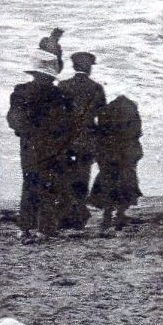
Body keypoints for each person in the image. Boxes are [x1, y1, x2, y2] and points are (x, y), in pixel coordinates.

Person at [7, 57, 73, 244]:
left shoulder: (20, 92)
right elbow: (67, 123)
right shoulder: (60, 94)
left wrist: (24, 132)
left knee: (29, 183)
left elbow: (13, 120)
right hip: (52, 146)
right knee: (49, 185)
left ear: (34, 73)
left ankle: (25, 228)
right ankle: (45, 228)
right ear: (51, 76)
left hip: (29, 145)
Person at [58, 51, 106, 232]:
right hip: (87, 141)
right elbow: (102, 117)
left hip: (65, 140)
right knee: (82, 178)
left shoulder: (63, 85)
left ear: (74, 66)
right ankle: (78, 216)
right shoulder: (97, 88)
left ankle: (65, 215)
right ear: (89, 67)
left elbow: (56, 115)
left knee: (65, 177)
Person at [89, 93, 143, 235]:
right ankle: (120, 214)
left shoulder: (105, 112)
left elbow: (98, 133)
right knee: (127, 183)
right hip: (126, 154)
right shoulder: (131, 111)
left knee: (107, 183)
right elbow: (137, 133)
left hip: (107, 154)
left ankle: (107, 216)